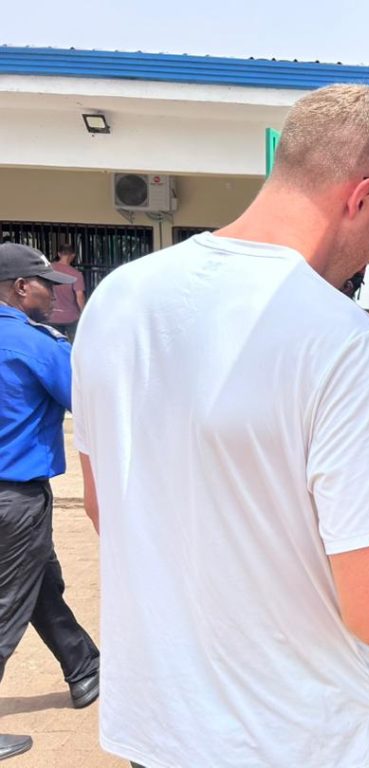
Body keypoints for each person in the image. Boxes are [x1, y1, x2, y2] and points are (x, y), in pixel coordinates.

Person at [72, 84, 369, 768]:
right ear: (362, 197)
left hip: (160, 726)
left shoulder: (116, 299)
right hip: (294, 735)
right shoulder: (344, 339)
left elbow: (104, 508)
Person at [0, 243, 100, 762]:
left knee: (38, 584)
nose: (54, 298)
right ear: (21, 287)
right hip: (14, 497)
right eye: (47, 287)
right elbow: (88, 399)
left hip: (12, 500)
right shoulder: (32, 342)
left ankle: (84, 668)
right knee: (6, 605)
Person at [47, 242, 86, 341]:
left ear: (59, 254)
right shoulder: (76, 274)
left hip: (51, 315)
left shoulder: (48, 270)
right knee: (75, 345)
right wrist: (84, 313)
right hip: (71, 316)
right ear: (73, 255)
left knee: (53, 344)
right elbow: (80, 296)